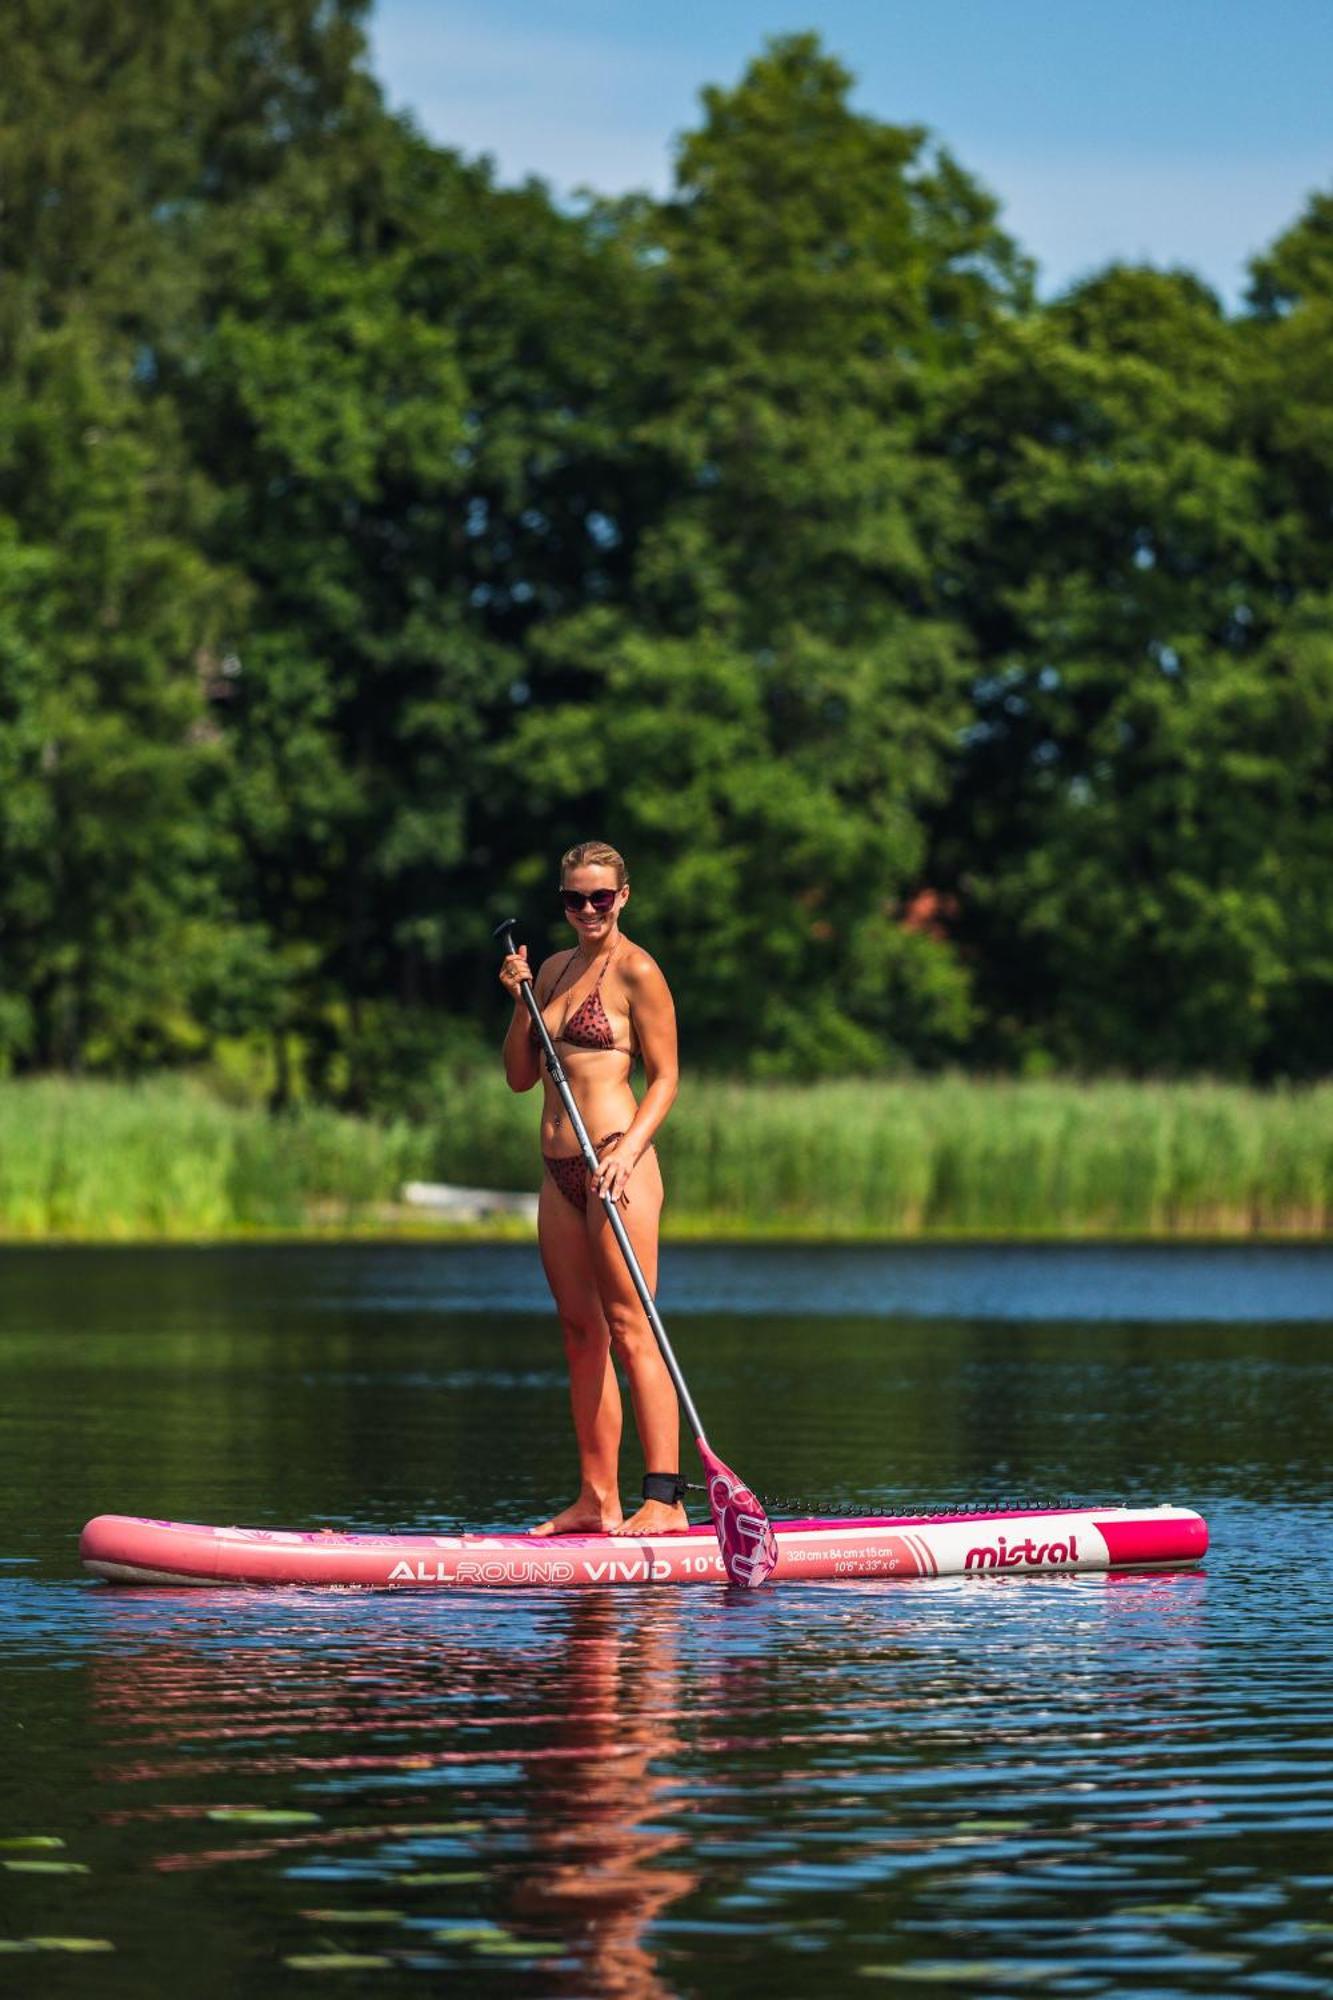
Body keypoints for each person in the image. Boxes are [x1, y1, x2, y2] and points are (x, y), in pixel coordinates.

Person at [499, 840, 684, 1539]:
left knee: (634, 1330)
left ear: (623, 897)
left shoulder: (637, 970)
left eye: (599, 897)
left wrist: (629, 1151)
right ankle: (595, 1498)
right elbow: (520, 1076)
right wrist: (521, 1003)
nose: (586, 909)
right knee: (581, 1336)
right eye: (572, 898)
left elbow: (664, 1077)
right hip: (557, 1171)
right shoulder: (548, 968)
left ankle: (664, 1499)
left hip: (616, 1162)